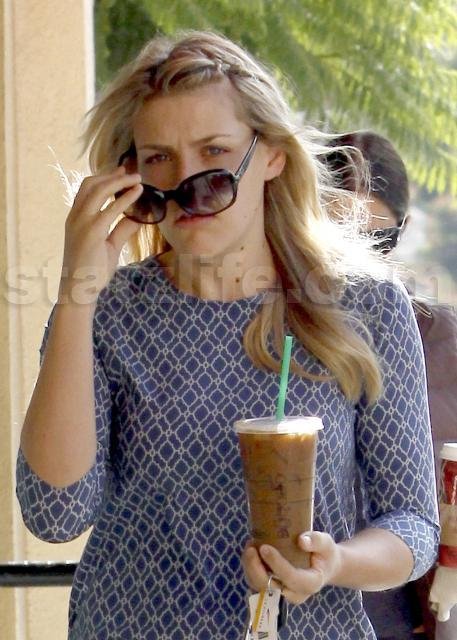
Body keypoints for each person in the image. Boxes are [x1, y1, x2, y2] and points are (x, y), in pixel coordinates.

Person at [16, 32, 439, 640]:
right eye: (159, 158)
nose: (188, 183)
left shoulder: (365, 306)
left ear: (272, 156)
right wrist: (76, 294)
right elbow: (55, 514)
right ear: (131, 175)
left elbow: (414, 525)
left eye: (214, 151)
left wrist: (335, 564)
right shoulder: (107, 311)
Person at [326, 129, 457, 640]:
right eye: (336, 238)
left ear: (402, 231)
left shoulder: (443, 341)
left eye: (376, 241)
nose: (355, 261)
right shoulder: (270, 339)